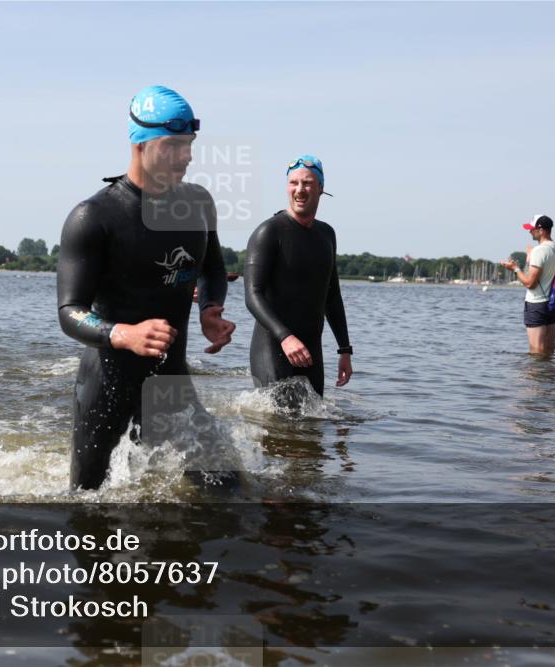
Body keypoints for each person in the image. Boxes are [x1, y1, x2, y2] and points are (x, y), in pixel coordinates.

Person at [57, 85, 236, 491]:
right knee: (90, 514)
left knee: (230, 493)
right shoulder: (94, 216)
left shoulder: (197, 204)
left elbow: (212, 267)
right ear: (140, 145)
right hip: (107, 390)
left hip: (172, 384)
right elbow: (69, 311)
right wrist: (123, 333)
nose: (187, 155)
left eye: (189, 144)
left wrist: (210, 309)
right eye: (174, 145)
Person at [244, 155, 353, 405]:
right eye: (294, 183)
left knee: (311, 428)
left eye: (307, 183)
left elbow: (332, 296)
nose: (300, 190)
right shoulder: (269, 232)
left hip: (311, 351)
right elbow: (252, 294)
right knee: (279, 430)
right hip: (273, 347)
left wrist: (344, 350)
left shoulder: (327, 234)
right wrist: (285, 337)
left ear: (321, 188)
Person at [501, 214, 555, 355]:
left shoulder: (539, 251)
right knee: (549, 348)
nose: (529, 231)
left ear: (541, 230)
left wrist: (515, 269)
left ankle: (536, 376)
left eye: (532, 229)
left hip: (537, 304)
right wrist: (530, 259)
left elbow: (530, 283)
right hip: (553, 303)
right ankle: (550, 375)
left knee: (536, 350)